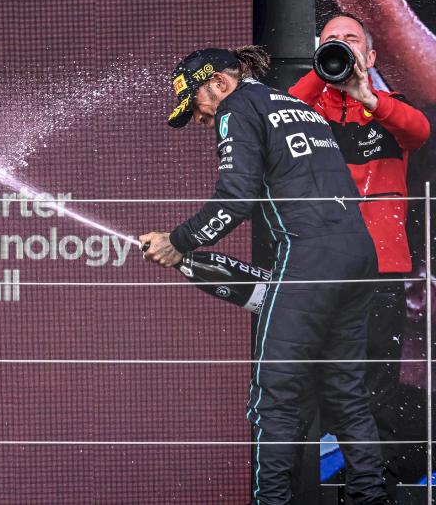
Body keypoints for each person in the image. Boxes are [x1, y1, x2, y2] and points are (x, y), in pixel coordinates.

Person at [140, 46, 387, 504]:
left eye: (196, 104)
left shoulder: (237, 107)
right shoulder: (295, 105)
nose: (199, 118)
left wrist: (179, 241)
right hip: (358, 253)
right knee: (346, 394)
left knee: (273, 397)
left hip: (311, 256)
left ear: (219, 83)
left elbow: (236, 200)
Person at [289, 13, 431, 493]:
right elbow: (280, 114)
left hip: (381, 267)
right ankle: (303, 477)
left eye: (353, 42)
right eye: (332, 42)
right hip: (318, 264)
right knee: (311, 374)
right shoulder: (305, 110)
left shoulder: (392, 108)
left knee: (375, 377)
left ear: (371, 57)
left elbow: (420, 131)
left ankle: (373, 477)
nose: (343, 48)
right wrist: (325, 68)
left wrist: (365, 93)